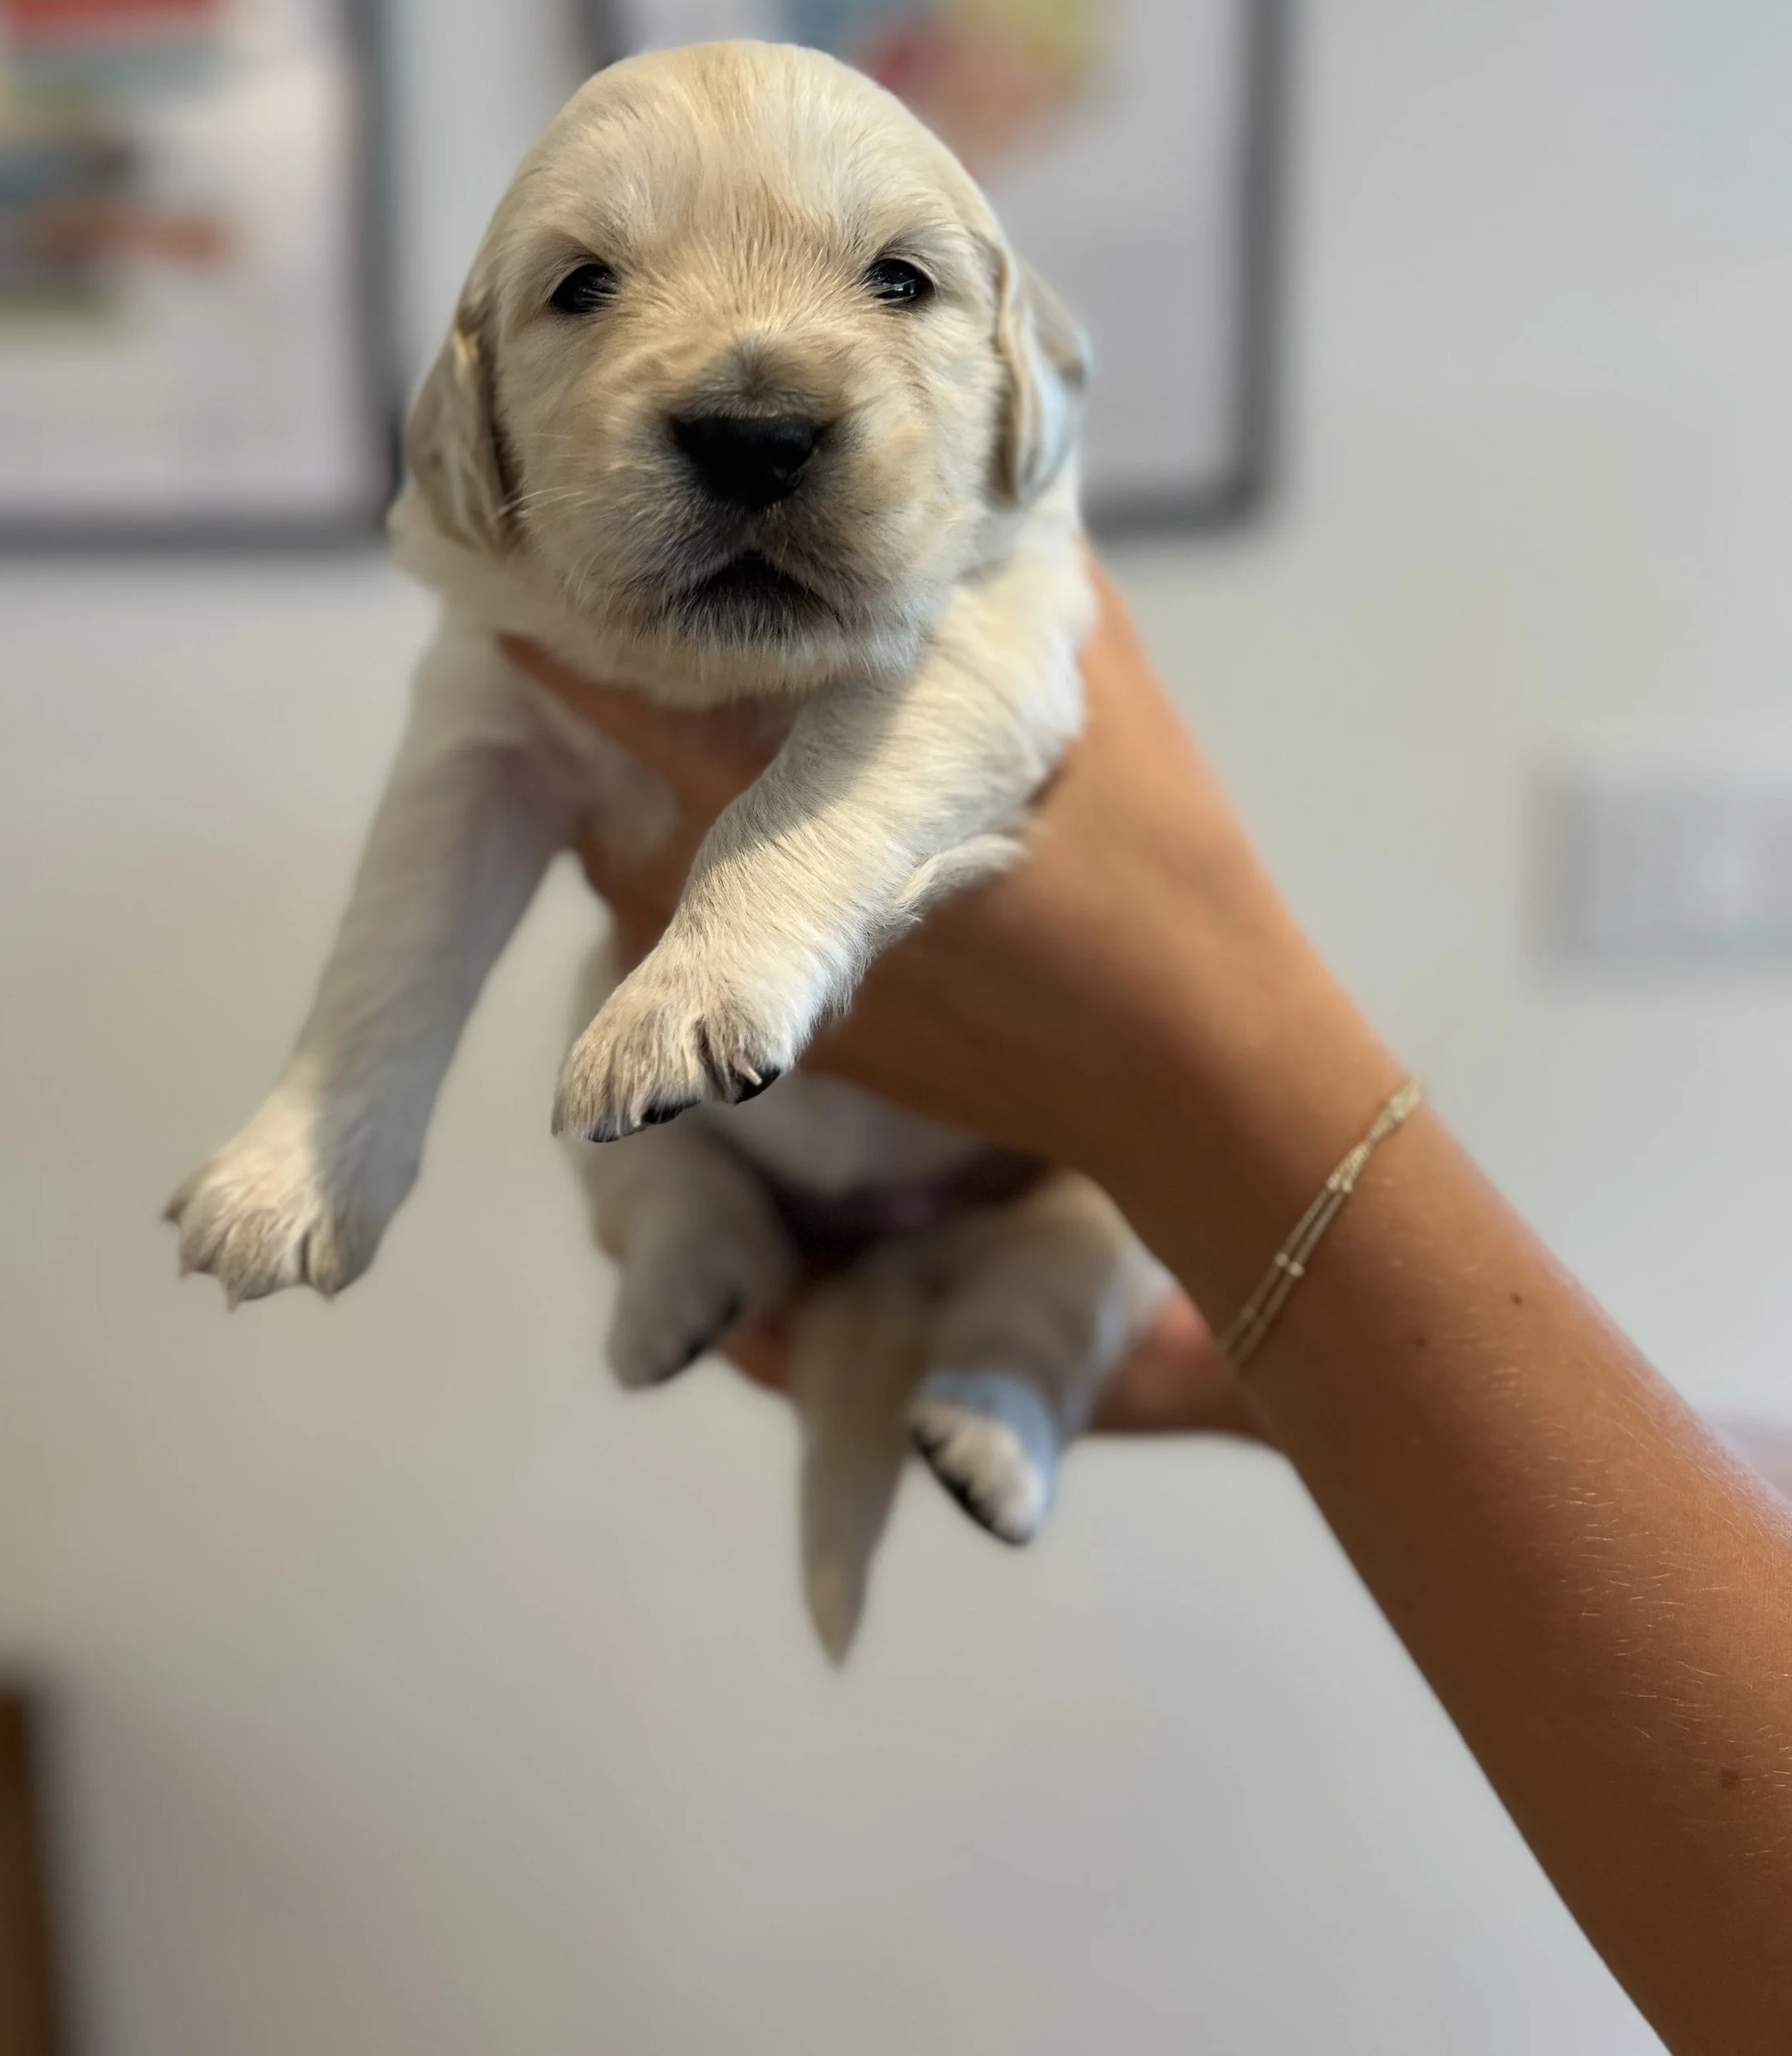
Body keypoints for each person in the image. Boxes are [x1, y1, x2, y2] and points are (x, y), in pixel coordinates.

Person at [505, 567, 1792, 2056]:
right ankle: (706, 1238)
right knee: (659, 1156)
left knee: (1055, 1266)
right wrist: (1202, 1360)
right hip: (772, 1150)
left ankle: (989, 1364)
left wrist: (1192, 1055)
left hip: (1020, 1192)